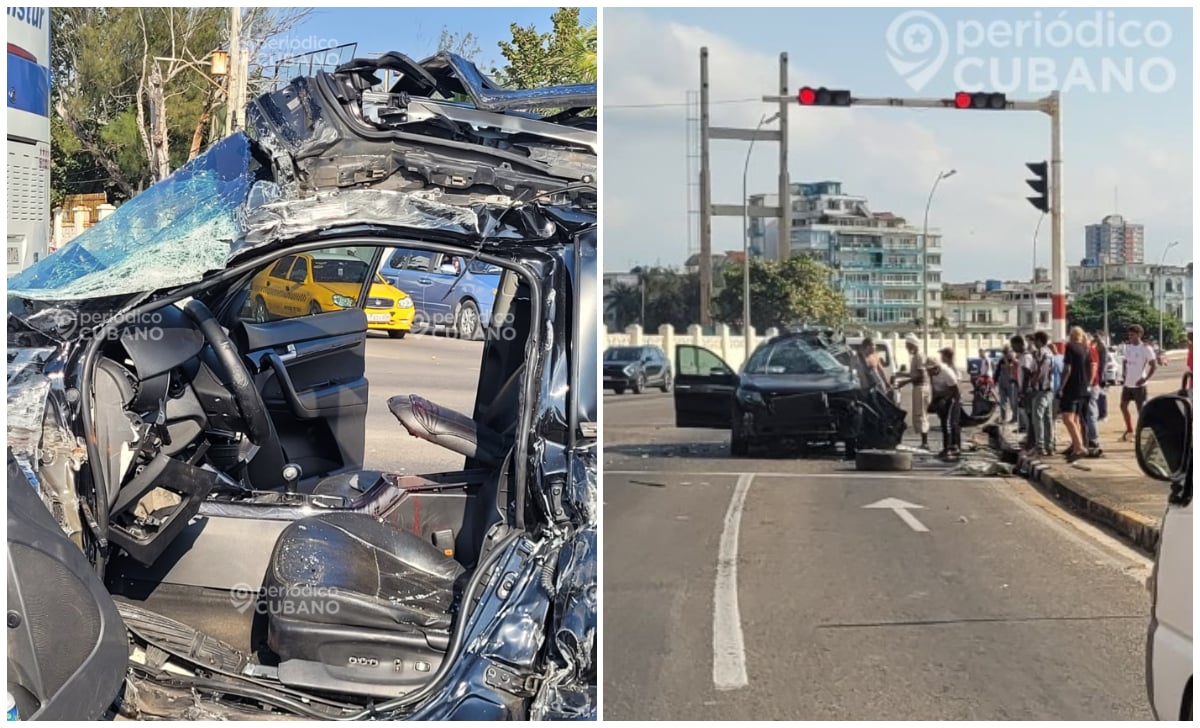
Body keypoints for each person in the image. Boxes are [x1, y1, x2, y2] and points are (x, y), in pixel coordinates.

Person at [1057, 327, 1092, 462]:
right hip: (1083, 387)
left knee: (1068, 418)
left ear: (1071, 336)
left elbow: (1067, 368)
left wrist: (1061, 386)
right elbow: (1090, 368)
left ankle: (1079, 447)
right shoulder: (1085, 349)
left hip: (1072, 387)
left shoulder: (1070, 347)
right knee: (1076, 418)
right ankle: (1076, 444)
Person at [1119, 324, 1158, 442]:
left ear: (1139, 334)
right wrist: (1124, 373)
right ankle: (1129, 429)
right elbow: (1125, 361)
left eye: (1133, 335)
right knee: (1123, 406)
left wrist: (1145, 379)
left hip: (1139, 384)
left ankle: (1143, 432)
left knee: (1141, 410)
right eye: (1129, 335)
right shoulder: (1128, 347)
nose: (1130, 337)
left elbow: (1153, 365)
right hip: (1128, 383)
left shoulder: (1145, 348)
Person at [894, 334, 932, 450]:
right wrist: (900, 374)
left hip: (921, 388)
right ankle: (924, 442)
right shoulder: (915, 356)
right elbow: (914, 374)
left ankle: (925, 443)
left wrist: (904, 382)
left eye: (907, 345)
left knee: (921, 415)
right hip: (918, 388)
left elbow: (920, 375)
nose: (906, 348)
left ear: (912, 345)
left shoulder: (919, 356)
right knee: (919, 415)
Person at [928, 348, 962, 459]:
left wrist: (945, 399)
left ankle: (951, 448)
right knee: (944, 423)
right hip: (941, 398)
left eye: (930, 370)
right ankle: (949, 447)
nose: (929, 372)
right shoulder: (931, 374)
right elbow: (934, 389)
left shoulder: (946, 372)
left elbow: (956, 391)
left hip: (952, 398)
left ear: (936, 367)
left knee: (949, 423)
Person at [1028, 331, 1056, 456]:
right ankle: (1049, 445)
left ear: (1039, 341)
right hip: (1050, 388)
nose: (1033, 343)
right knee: (1048, 418)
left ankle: (1040, 446)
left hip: (1041, 388)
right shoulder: (1050, 353)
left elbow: (1040, 371)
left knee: (1037, 417)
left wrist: (1033, 383)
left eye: (1035, 341)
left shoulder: (1041, 354)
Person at [1083, 333, 1103, 456]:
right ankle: (1087, 438)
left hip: (1091, 386)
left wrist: (1089, 384)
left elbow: (1093, 368)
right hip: (1085, 386)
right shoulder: (1085, 352)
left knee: (1091, 412)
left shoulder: (1091, 351)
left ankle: (1093, 439)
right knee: (1085, 414)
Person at [995, 346, 1017, 424]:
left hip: (1010, 383)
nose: (1005, 354)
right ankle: (1003, 417)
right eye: (1004, 352)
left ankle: (1015, 417)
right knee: (1002, 401)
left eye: (1006, 352)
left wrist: (1007, 359)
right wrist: (995, 381)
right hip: (1002, 382)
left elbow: (1009, 367)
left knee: (1012, 401)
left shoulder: (1012, 360)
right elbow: (997, 371)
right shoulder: (1001, 360)